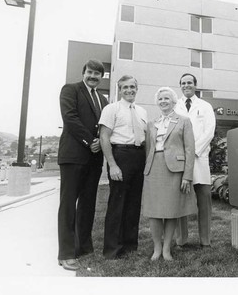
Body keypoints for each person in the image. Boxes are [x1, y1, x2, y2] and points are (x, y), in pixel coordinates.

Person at [57, 59, 108, 271]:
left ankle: (84, 248)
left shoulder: (103, 100)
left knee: (87, 204)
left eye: (97, 74)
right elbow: (70, 118)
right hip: (74, 156)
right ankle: (66, 254)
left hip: (94, 160)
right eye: (90, 72)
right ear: (83, 72)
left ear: (101, 77)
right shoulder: (70, 90)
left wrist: (100, 143)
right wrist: (90, 141)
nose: (93, 76)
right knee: (69, 205)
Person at [142, 87, 196, 261]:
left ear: (174, 102)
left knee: (172, 210)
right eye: (160, 99)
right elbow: (148, 149)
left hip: (174, 170)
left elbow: (190, 149)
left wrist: (187, 176)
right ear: (157, 102)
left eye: (167, 98)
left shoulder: (184, 121)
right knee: (154, 210)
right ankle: (157, 248)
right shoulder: (151, 123)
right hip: (154, 169)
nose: (163, 101)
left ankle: (167, 249)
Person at [99, 75, 147, 259]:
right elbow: (104, 137)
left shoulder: (142, 111)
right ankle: (112, 249)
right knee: (117, 204)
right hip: (120, 155)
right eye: (125, 87)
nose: (129, 90)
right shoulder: (111, 109)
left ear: (137, 88)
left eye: (132, 87)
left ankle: (130, 246)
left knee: (134, 203)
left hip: (138, 156)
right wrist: (112, 165)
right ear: (120, 90)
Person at [174, 73, 216, 248]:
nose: (186, 85)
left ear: (195, 85)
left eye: (189, 82)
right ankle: (181, 239)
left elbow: (209, 131)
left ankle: (205, 240)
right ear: (180, 86)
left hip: (199, 158)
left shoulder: (205, 106)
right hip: (180, 159)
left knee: (204, 198)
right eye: (183, 83)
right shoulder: (175, 106)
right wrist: (183, 153)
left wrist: (194, 151)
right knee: (180, 200)